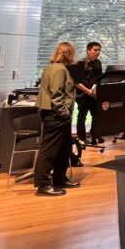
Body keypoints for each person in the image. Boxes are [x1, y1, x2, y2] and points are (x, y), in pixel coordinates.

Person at [35, 42, 80, 197]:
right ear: (69, 54)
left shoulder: (52, 67)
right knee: (49, 150)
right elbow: (56, 94)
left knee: (64, 149)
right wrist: (64, 113)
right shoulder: (59, 69)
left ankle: (59, 179)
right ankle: (43, 185)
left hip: (56, 115)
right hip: (56, 115)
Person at [74, 41, 103, 149]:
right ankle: (81, 137)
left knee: (96, 114)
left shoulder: (98, 62)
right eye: (95, 50)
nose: (97, 52)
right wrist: (87, 91)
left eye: (99, 50)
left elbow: (99, 78)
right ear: (88, 50)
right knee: (82, 115)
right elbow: (76, 81)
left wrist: (96, 90)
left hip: (93, 93)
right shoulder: (80, 63)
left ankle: (94, 136)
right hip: (82, 94)